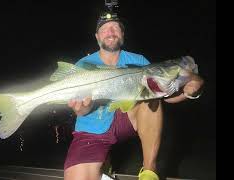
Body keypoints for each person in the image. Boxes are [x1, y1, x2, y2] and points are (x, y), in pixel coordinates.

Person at [64, 11, 204, 180]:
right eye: (104, 28)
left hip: (128, 117)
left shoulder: (139, 60)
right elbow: (79, 109)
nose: (110, 31)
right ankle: (104, 164)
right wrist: (82, 109)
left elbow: (163, 96)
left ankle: (149, 170)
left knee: (149, 97)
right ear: (97, 36)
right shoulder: (84, 64)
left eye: (116, 27)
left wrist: (191, 92)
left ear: (122, 34)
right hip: (91, 129)